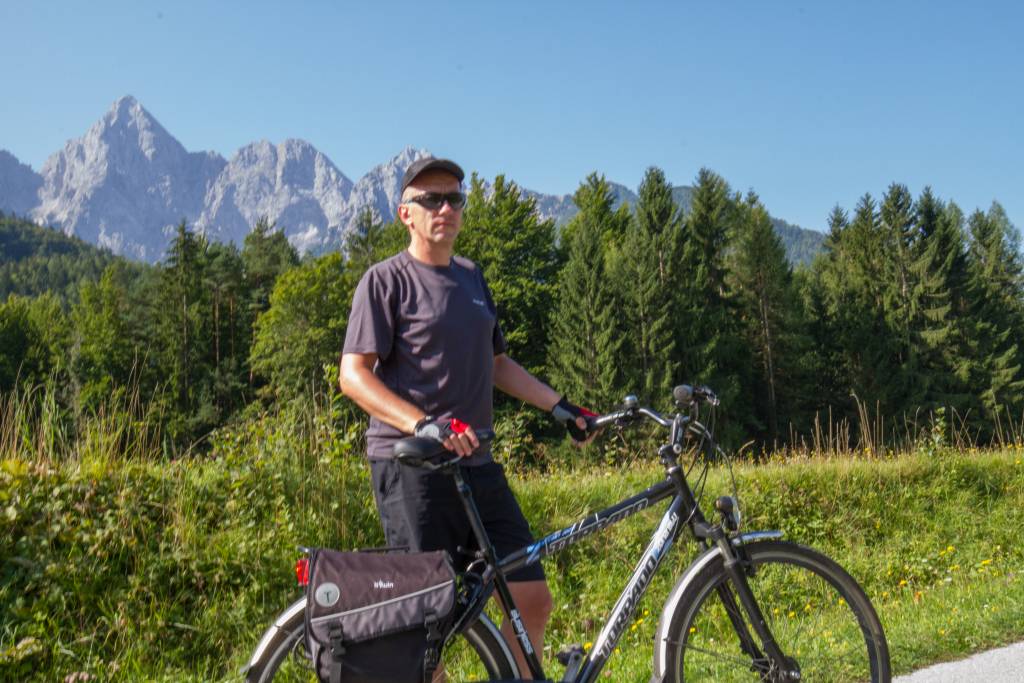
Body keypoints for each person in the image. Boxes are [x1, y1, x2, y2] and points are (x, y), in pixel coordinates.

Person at [338, 156, 593, 677]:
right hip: (412, 469)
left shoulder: (473, 277)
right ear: (405, 213)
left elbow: (497, 363)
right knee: (427, 620)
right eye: (432, 200)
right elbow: (354, 375)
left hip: (477, 464)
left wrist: (559, 406)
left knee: (531, 596)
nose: (446, 208)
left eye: (455, 198)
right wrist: (421, 424)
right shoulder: (385, 280)